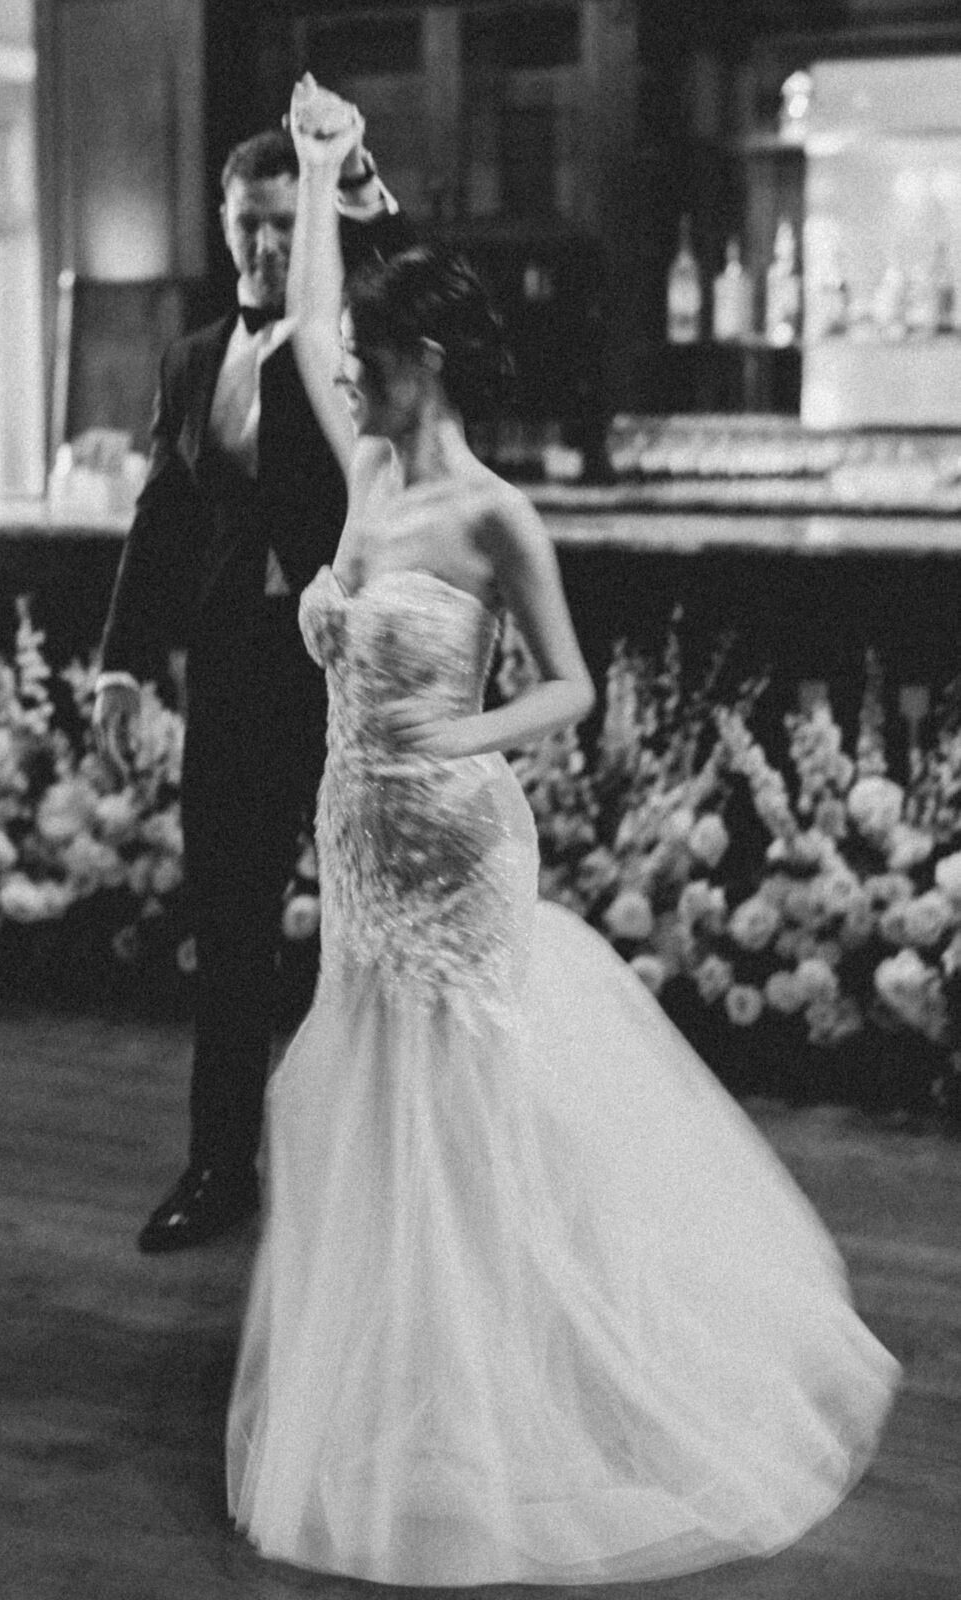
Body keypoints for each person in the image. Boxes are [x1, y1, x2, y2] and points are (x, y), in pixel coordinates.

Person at [225, 77, 900, 1587]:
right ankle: (409, 1381)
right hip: (354, 842)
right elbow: (320, 327)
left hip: (457, 839)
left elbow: (569, 692)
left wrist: (457, 730)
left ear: (433, 367)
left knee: (466, 1102)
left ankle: (532, 1377)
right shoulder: (368, 481)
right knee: (373, 1092)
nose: (354, 377)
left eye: (377, 366)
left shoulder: (489, 517)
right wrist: (328, 171)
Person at [93, 89, 411, 1253]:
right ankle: (219, 1166)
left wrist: (349, 174)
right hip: (230, 675)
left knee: (361, 928)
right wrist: (122, 667)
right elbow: (160, 520)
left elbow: (393, 264)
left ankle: (369, 1180)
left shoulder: (352, 340)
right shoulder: (190, 361)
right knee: (228, 926)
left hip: (345, 680)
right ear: (222, 224)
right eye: (249, 225)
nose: (268, 246)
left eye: (286, 223)